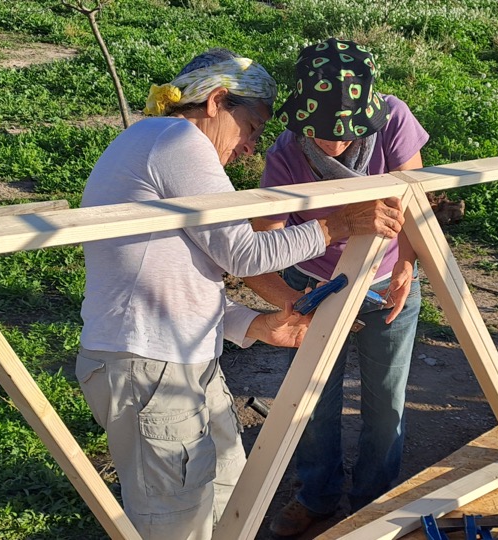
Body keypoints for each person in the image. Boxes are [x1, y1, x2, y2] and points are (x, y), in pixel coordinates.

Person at [74, 48, 405, 540]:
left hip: (177, 359)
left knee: (230, 496)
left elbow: (183, 277)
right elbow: (243, 254)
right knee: (176, 522)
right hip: (147, 366)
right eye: (251, 127)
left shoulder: (157, 145)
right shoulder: (176, 139)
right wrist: (336, 225)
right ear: (216, 101)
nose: (250, 147)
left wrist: (253, 324)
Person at [242, 38, 430, 537]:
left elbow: (415, 205)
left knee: (386, 399)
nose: (334, 144)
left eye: (346, 133)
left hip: (387, 283)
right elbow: (262, 245)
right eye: (322, 134)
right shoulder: (287, 153)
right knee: (312, 399)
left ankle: (373, 503)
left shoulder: (393, 119)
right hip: (316, 285)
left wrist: (407, 265)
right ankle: (316, 496)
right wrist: (291, 302)